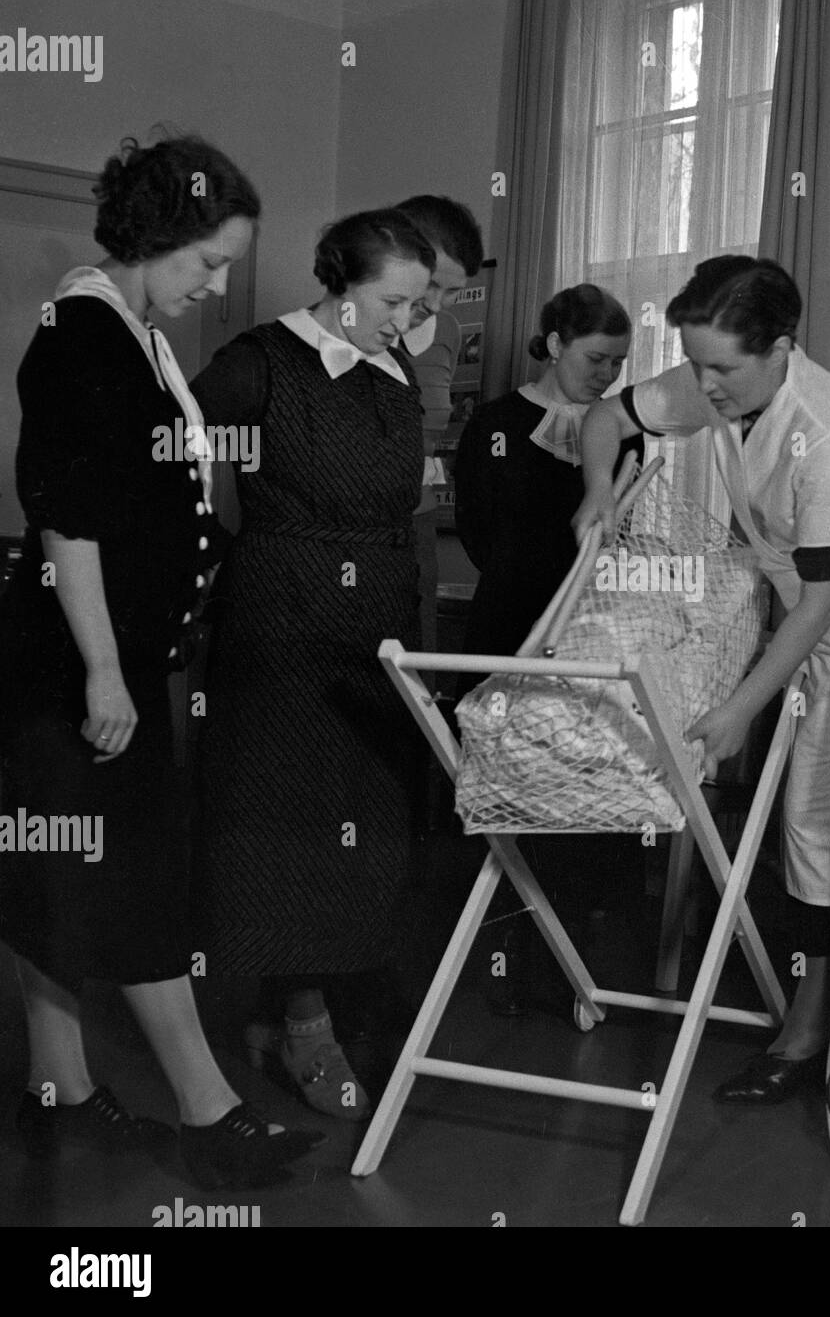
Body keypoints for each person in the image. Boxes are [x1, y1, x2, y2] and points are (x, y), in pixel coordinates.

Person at [0, 134, 323, 1186]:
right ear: (155, 237)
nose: (218, 284)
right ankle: (207, 1109)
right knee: (131, 883)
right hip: (75, 665)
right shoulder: (80, 335)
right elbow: (69, 518)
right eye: (207, 262)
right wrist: (102, 668)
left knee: (57, 875)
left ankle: (57, 1090)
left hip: (114, 660)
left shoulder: (129, 332)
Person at [574, 256, 830, 1102]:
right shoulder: (721, 378)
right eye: (695, 363)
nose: (702, 387)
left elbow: (826, 602)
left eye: (723, 370)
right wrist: (600, 487)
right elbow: (605, 417)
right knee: (818, 829)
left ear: (783, 348)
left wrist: (741, 707)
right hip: (815, 622)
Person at [190, 208, 437, 1119]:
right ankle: (301, 1021)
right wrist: (215, 549)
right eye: (391, 301)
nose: (406, 321)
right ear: (339, 283)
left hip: (374, 627)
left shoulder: (394, 367)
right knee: (285, 825)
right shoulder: (261, 360)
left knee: (365, 823)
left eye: (417, 305)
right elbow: (166, 443)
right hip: (282, 623)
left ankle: (321, 997)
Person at [453, 284, 644, 1013]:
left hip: (590, 628)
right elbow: (474, 529)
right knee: (512, 783)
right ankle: (508, 954)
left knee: (586, 784)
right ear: (557, 341)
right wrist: (525, 578)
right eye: (596, 358)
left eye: (620, 363)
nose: (607, 376)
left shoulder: (624, 430)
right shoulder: (495, 424)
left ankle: (580, 960)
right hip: (510, 622)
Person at [393, 194, 484, 654]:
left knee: (417, 656)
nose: (438, 302)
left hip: (419, 517)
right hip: (360, 524)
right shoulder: (360, 328)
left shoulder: (448, 330)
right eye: (431, 285)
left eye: (451, 291)